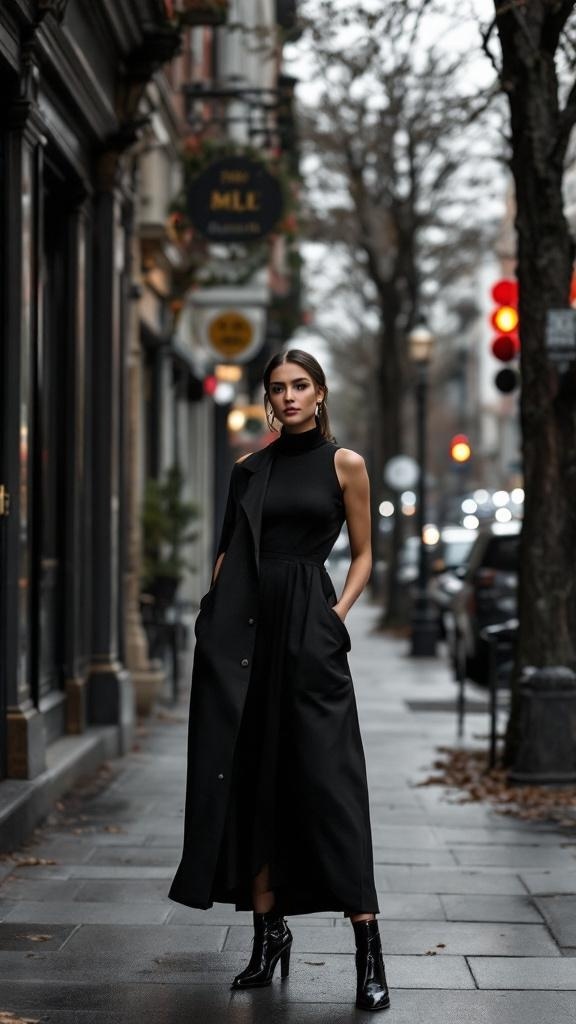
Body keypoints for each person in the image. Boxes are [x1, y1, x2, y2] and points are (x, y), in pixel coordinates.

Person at [169, 349, 390, 1012]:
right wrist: (213, 629)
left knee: (331, 782)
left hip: (310, 636)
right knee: (253, 782)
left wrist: (335, 619)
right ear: (268, 399)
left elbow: (364, 551)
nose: (288, 397)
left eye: (299, 386)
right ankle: (269, 936)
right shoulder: (249, 469)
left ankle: (368, 947)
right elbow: (227, 554)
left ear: (320, 393)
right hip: (245, 640)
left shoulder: (344, 464)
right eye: (277, 389)